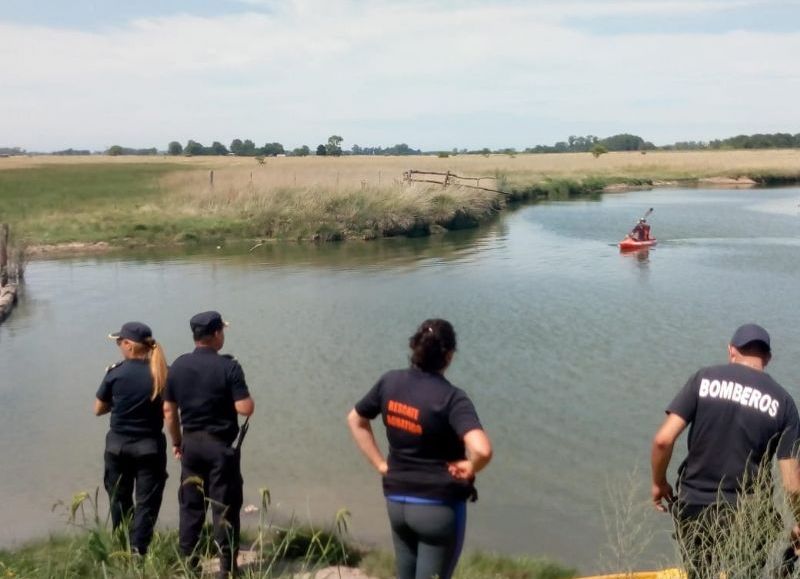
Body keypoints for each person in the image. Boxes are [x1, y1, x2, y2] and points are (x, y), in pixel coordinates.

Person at [651, 323, 800, 578]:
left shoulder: (703, 379)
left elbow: (663, 440)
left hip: (694, 507)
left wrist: (659, 482)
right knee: (745, 571)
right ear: (768, 359)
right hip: (746, 513)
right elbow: (791, 483)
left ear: (732, 351)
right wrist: (798, 520)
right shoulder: (783, 403)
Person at [347, 319, 493, 579]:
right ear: (448, 356)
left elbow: (356, 420)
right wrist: (471, 466)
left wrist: (381, 465)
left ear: (415, 347)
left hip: (397, 502)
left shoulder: (389, 382)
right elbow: (482, 450)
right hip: (438, 508)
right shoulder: (452, 398)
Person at [163, 311, 254, 578]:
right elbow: (245, 408)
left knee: (191, 507)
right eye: (222, 331)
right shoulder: (229, 367)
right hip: (220, 449)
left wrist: (177, 442)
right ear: (216, 334)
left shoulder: (178, 366)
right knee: (224, 507)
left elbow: (169, 411)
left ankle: (188, 565)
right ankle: (226, 569)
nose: (223, 335)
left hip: (190, 446)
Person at [95, 321, 169, 556]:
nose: (118, 345)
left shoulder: (115, 373)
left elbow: (98, 409)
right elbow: (170, 408)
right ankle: (138, 549)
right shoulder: (162, 373)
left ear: (128, 344)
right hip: (149, 447)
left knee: (119, 498)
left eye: (119, 341)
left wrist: (119, 404)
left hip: (117, 447)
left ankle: (121, 547)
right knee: (147, 501)